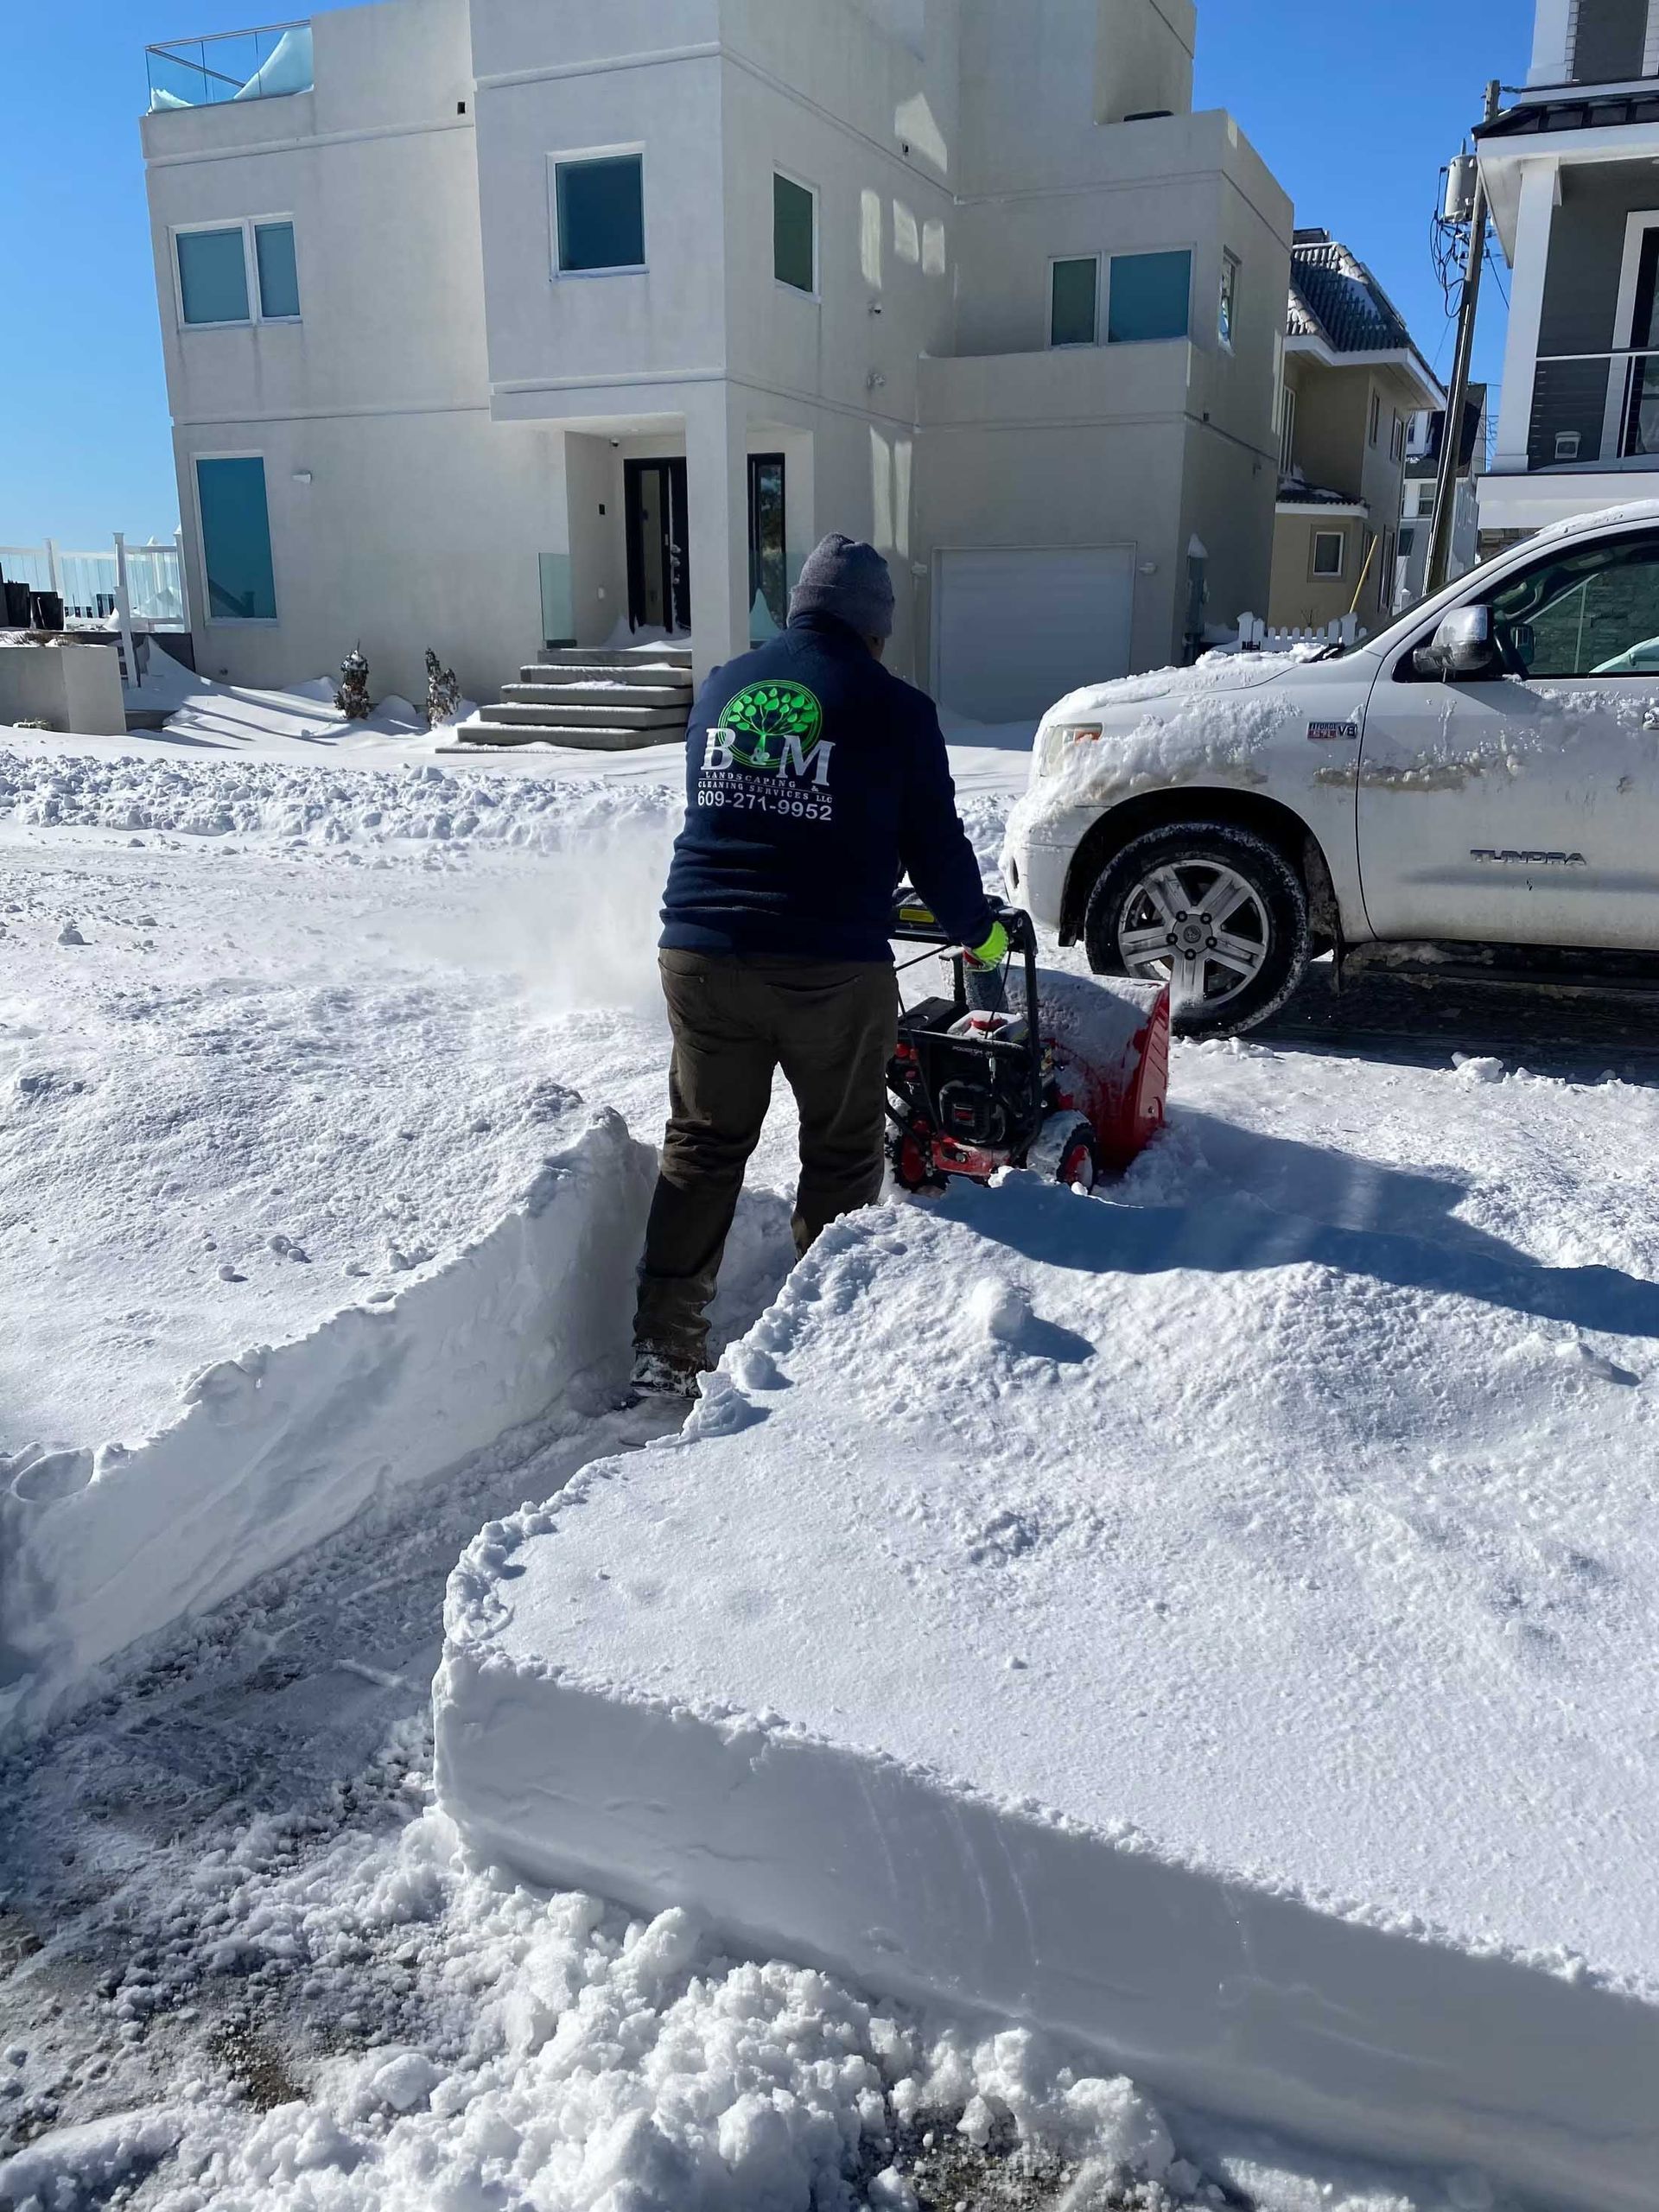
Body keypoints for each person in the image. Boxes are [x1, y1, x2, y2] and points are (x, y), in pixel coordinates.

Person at [630, 532, 1007, 1400]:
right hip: (827, 967)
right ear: (875, 628)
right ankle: (820, 1338)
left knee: (703, 1138)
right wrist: (979, 937)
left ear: (800, 608)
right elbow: (939, 853)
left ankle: (664, 1343)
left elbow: (731, 815)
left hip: (697, 953)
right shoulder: (896, 708)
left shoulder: (725, 684)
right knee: (839, 1149)